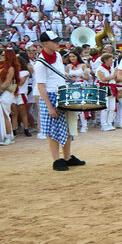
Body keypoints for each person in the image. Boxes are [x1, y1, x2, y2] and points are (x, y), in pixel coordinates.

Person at [34, 31, 86, 171]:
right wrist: (50, 107)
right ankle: (57, 160)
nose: (58, 44)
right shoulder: (40, 64)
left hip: (62, 93)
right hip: (50, 95)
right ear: (46, 43)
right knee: (53, 131)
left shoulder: (57, 55)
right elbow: (41, 86)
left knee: (68, 127)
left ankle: (67, 157)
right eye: (55, 41)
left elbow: (59, 73)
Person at [95, 52, 120, 132]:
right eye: (110, 60)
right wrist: (113, 76)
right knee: (105, 107)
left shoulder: (111, 68)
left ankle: (109, 122)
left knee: (112, 107)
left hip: (111, 88)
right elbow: (103, 79)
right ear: (105, 60)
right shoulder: (100, 68)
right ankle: (104, 124)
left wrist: (115, 76)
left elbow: (113, 78)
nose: (112, 61)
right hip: (104, 88)